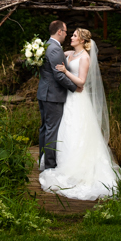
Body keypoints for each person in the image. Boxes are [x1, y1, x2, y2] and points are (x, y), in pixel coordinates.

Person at [39, 28, 121, 200]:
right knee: (65, 130)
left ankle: (78, 168)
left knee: (77, 130)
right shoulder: (68, 52)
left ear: (83, 41)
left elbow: (81, 82)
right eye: (72, 35)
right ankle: (62, 163)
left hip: (78, 97)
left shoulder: (85, 58)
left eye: (75, 36)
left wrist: (65, 72)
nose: (71, 37)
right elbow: (53, 54)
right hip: (67, 97)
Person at [37, 20, 78, 170]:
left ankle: (42, 161)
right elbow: (59, 75)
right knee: (51, 130)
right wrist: (75, 87)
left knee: (45, 129)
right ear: (59, 31)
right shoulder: (54, 49)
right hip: (52, 95)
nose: (67, 34)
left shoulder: (47, 45)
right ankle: (49, 166)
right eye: (66, 31)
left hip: (45, 93)